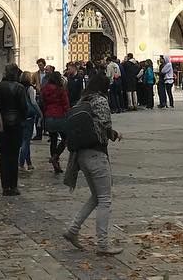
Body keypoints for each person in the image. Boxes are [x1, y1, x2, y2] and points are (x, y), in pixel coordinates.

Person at [63, 70, 122, 256]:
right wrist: (114, 134)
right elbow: (105, 125)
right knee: (105, 199)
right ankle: (103, 245)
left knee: (97, 196)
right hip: (96, 154)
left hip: (81, 155)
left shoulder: (82, 101)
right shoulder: (101, 101)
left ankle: (72, 230)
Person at [0, 64, 29, 195]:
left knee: (4, 156)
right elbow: (24, 107)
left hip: (2, 124)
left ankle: (5, 186)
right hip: (15, 125)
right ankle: (12, 186)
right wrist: (22, 119)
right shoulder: (19, 87)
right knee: (14, 156)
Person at [40, 66, 71, 173]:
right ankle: (56, 156)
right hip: (60, 116)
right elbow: (65, 104)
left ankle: (55, 162)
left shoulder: (45, 89)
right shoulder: (61, 90)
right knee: (65, 138)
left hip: (49, 116)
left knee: (53, 140)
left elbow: (42, 102)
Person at [19, 70, 39, 172]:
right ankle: (21, 163)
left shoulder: (19, 87)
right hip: (29, 116)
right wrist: (40, 112)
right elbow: (33, 102)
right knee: (26, 141)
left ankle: (29, 162)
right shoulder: (30, 88)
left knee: (25, 140)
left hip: (20, 116)